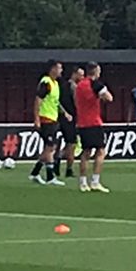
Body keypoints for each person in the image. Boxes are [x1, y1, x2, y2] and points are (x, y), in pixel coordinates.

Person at [74, 63, 113, 192]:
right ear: (95, 71)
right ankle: (95, 181)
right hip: (94, 122)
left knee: (85, 153)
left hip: (82, 122)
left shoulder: (79, 85)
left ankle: (83, 182)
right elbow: (109, 98)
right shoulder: (95, 84)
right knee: (101, 151)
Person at [31, 60, 66, 184]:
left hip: (53, 118)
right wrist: (36, 119)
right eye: (59, 68)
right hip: (45, 118)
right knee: (50, 147)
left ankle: (35, 172)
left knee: (50, 147)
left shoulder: (55, 84)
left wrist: (65, 113)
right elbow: (38, 100)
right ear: (53, 69)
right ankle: (50, 176)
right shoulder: (46, 82)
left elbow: (55, 102)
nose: (61, 70)